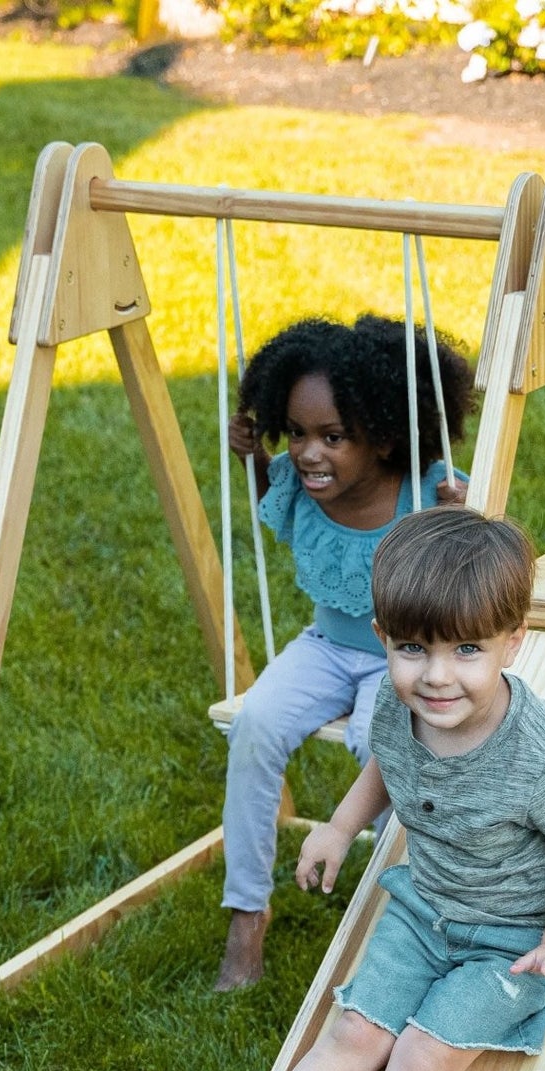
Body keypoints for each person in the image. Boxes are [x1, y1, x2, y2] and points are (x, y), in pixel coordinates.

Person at [190, 506, 545, 1071]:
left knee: (419, 1054)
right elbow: (388, 763)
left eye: (467, 651)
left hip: (510, 944)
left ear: (514, 642)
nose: (437, 675)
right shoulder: (396, 703)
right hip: (424, 909)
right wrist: (341, 825)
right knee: (353, 1034)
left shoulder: (542, 751)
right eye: (413, 648)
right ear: (383, 635)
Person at [215, 314, 476, 992]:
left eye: (333, 437)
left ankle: (412, 910)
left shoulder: (430, 491)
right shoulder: (299, 485)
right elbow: (277, 499)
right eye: (296, 432)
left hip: (406, 660)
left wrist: (467, 512)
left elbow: (479, 560)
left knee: (378, 743)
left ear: (387, 436)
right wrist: (250, 459)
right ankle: (247, 914)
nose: (308, 453)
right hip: (327, 646)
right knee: (255, 724)